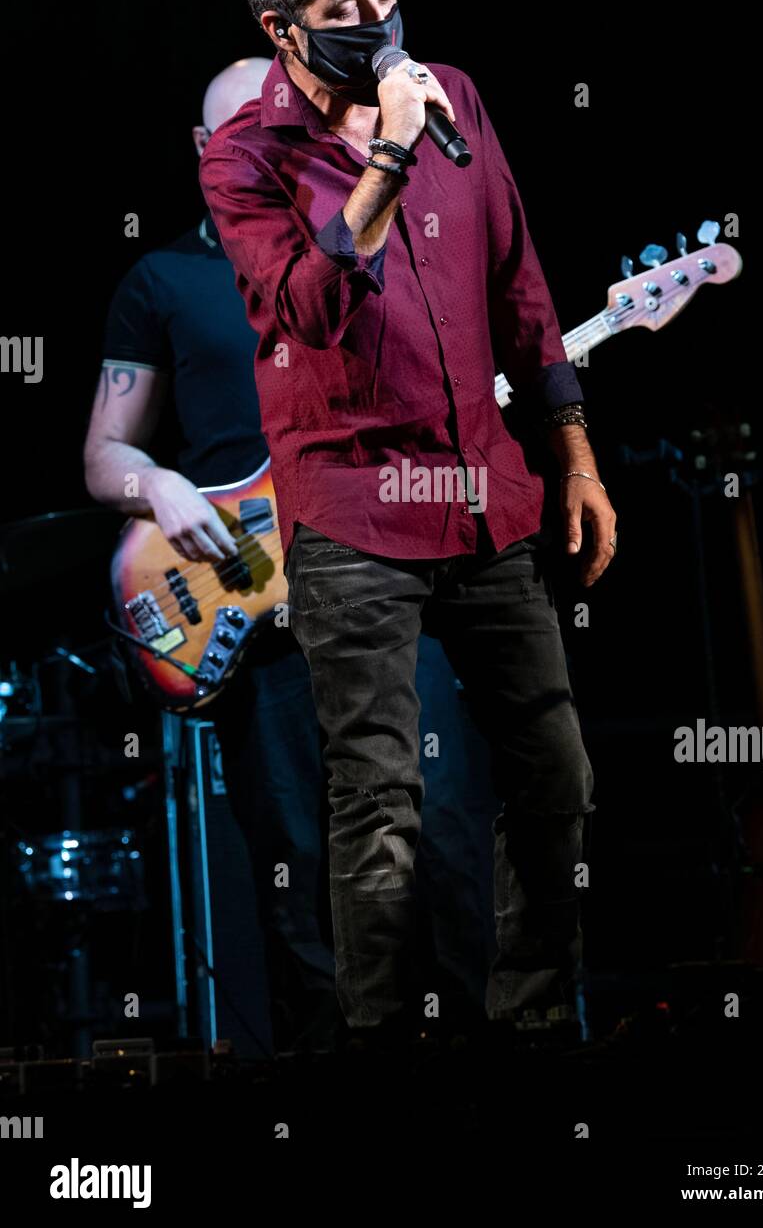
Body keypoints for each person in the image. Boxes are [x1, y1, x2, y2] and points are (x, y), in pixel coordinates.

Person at [199, 0, 618, 1044]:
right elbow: (311, 310)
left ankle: (533, 1028)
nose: (381, 25)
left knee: (555, 778)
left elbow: (521, 288)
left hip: (487, 495)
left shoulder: (459, 99)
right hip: (350, 515)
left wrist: (571, 456)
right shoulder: (245, 158)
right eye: (348, 8)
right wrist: (384, 154)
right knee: (378, 801)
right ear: (286, 29)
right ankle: (385, 1059)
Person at [84, 57, 500, 1053]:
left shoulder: (380, 253)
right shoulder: (163, 280)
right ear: (203, 150)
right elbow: (105, 453)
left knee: (443, 838)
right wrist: (162, 484)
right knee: (299, 862)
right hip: (255, 617)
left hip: (392, 590)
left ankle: (484, 1085)